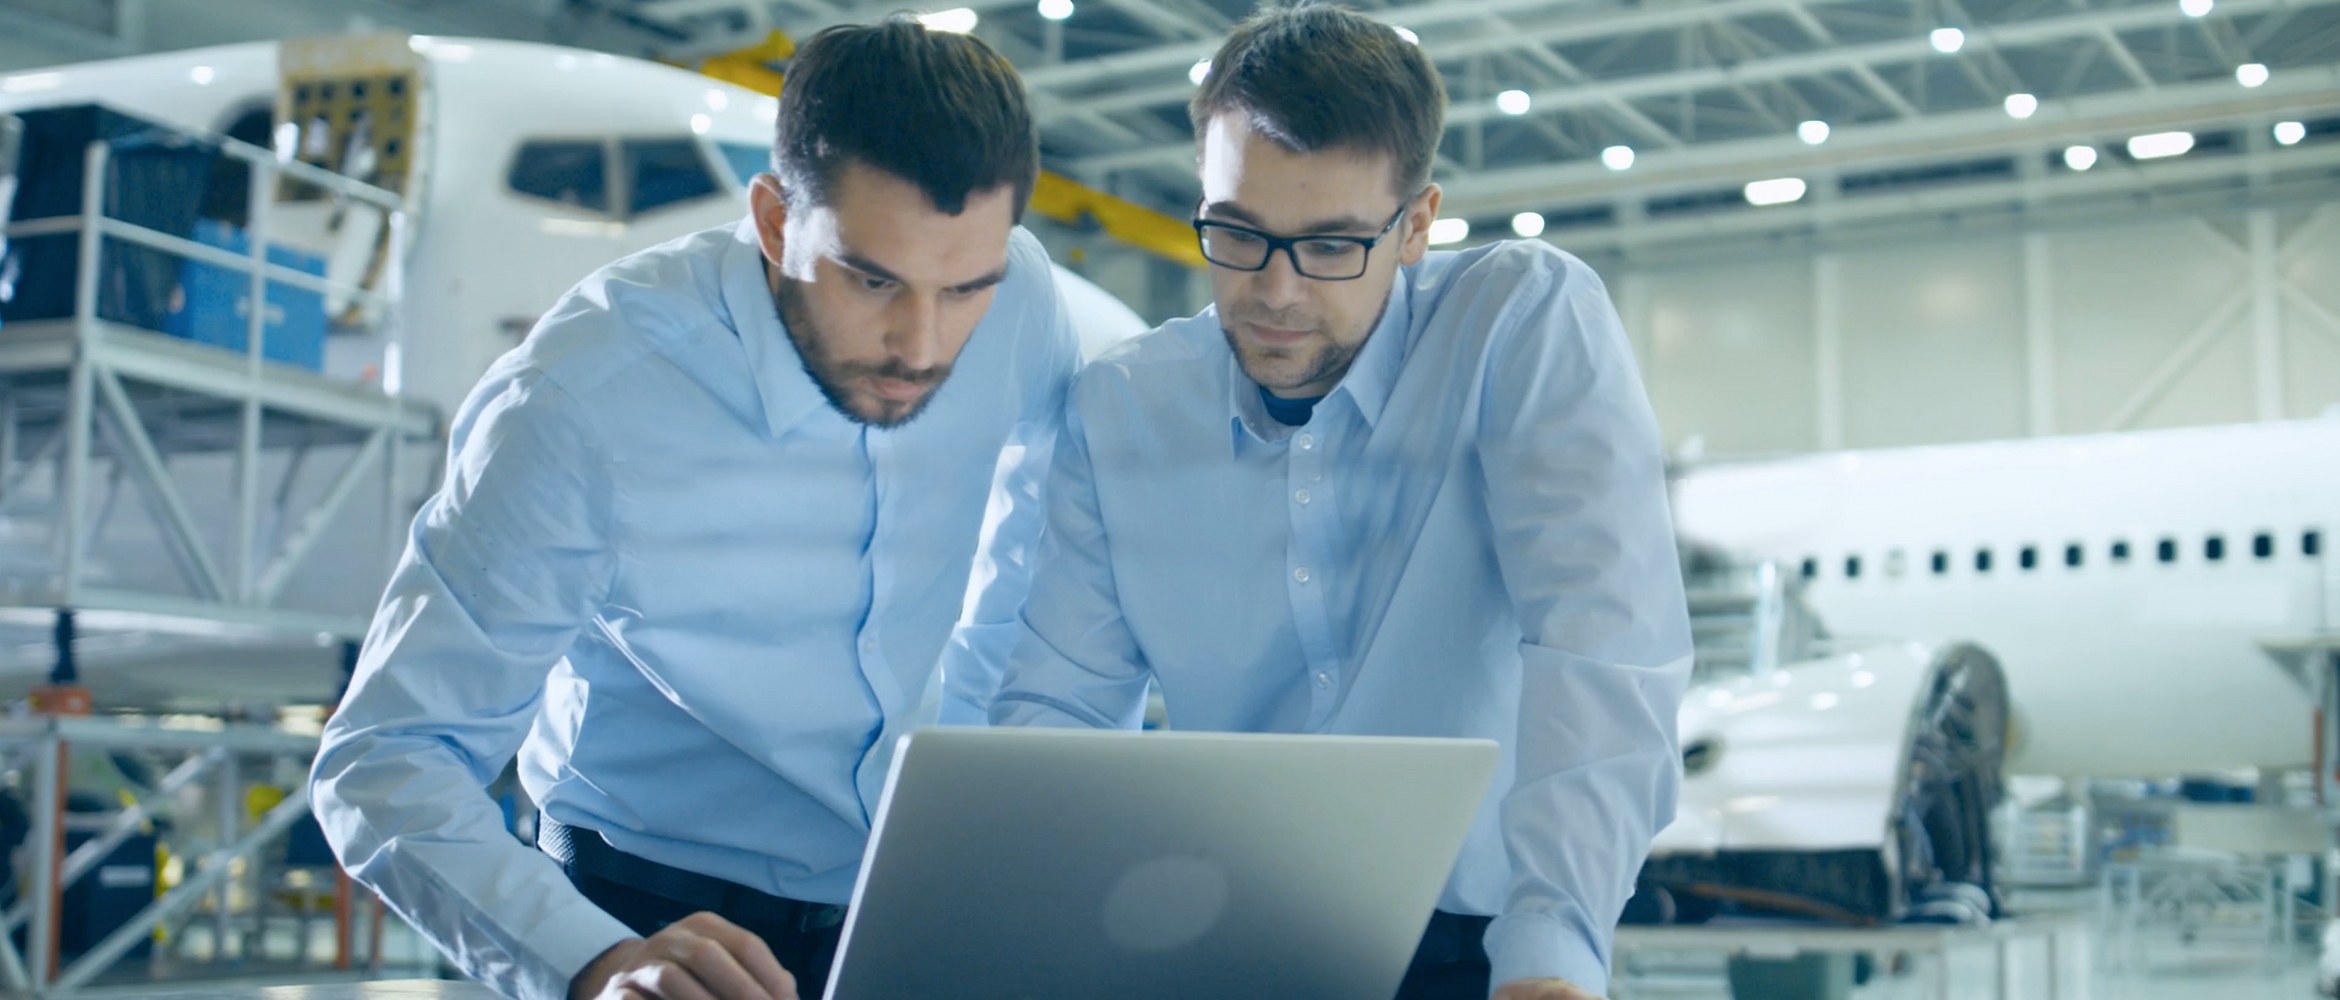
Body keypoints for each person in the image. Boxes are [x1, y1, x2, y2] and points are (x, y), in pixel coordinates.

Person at [310, 19, 1075, 1000]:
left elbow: (1043, 569)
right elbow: (387, 758)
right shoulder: (587, 395)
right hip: (653, 914)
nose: (921, 345)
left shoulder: (1024, 303)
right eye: (871, 278)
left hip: (922, 901)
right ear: (771, 221)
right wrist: (590, 958)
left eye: (964, 286)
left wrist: (996, 795)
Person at [985, 5, 1692, 999]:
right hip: (1220, 938)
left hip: (1479, 943)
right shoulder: (1125, 405)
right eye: (1237, 233)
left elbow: (1602, 650)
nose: (1275, 292)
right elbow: (1056, 705)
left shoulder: (1516, 324)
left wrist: (1553, 947)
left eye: (1328, 246)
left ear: (1415, 226)